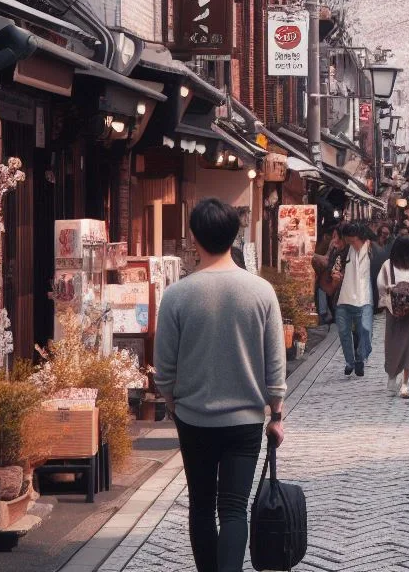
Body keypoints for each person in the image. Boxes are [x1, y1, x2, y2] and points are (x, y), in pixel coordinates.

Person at [154, 198, 286, 572]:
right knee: (233, 508)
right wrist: (275, 414)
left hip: (193, 417)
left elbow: (164, 369)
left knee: (200, 504)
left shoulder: (178, 295)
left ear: (193, 237)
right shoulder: (261, 292)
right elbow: (275, 365)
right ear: (236, 236)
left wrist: (173, 403)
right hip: (244, 420)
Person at [376, 236, 409, 399]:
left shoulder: (387, 265)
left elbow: (380, 286)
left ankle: (392, 377)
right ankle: (405, 384)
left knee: (393, 345)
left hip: (394, 312)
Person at [335, 221, 385, 378]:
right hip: (344, 298)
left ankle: (361, 358)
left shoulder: (374, 251)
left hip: (365, 299)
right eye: (348, 240)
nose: (350, 242)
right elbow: (335, 265)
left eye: (352, 240)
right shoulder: (345, 251)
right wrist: (336, 274)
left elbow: (382, 271)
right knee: (344, 332)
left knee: (365, 331)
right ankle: (350, 361)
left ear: (360, 237)